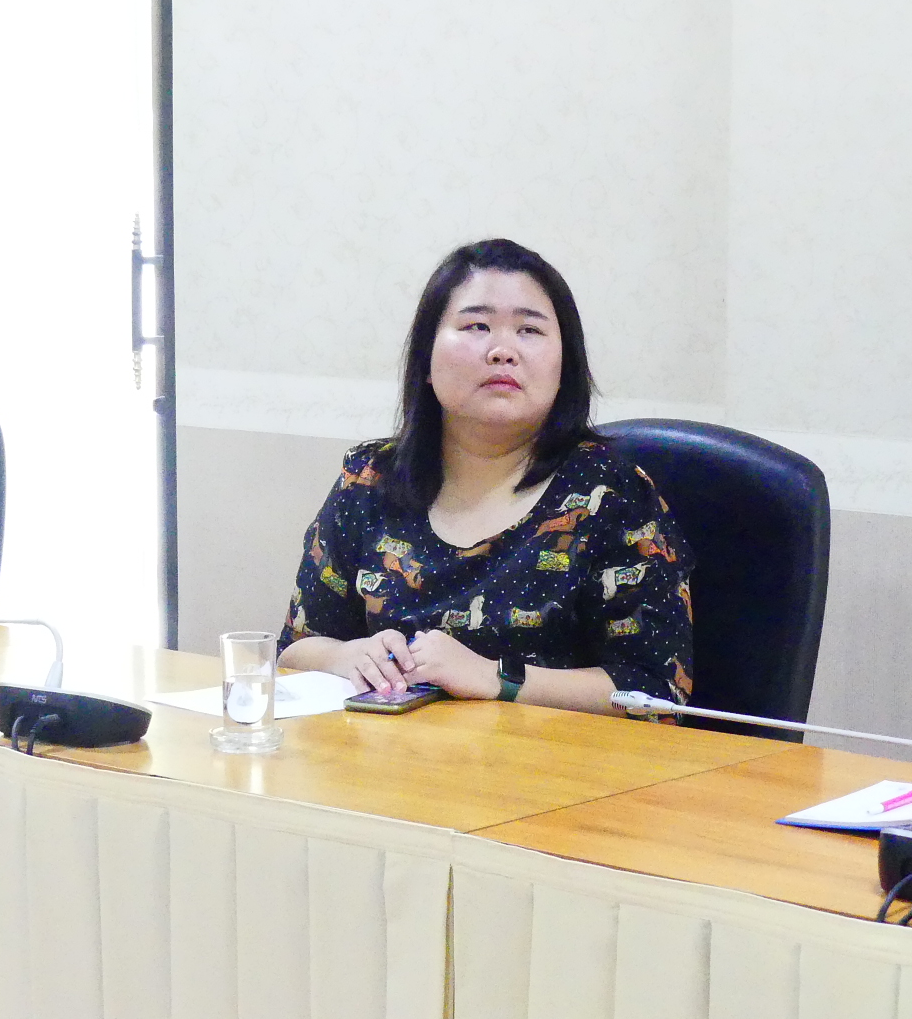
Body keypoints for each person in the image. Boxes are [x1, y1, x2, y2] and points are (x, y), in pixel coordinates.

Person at [278, 238, 694, 714]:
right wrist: (347, 657)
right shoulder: (369, 479)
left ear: (565, 366)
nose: (502, 351)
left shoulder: (610, 492)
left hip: (547, 759)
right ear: (426, 360)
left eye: (529, 330)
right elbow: (294, 650)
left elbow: (658, 694)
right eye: (476, 326)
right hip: (389, 754)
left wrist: (497, 679)